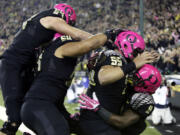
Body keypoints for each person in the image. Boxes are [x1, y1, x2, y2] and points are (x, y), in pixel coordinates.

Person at [0, 3, 92, 135]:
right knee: (14, 121)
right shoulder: (52, 19)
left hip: (24, 68)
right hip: (14, 66)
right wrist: (103, 40)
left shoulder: (40, 27)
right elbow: (77, 34)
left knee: (40, 109)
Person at [20, 29, 123, 135]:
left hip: (49, 105)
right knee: (61, 131)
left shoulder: (52, 58)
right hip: (40, 106)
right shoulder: (60, 48)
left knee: (85, 127)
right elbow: (87, 45)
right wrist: (109, 35)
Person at [76, 30, 160, 135]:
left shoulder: (119, 60)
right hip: (98, 121)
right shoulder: (114, 56)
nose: (138, 56)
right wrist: (134, 64)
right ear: (126, 46)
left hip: (98, 118)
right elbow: (104, 77)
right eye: (136, 52)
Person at [79, 64, 162, 135]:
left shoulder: (144, 100)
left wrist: (98, 108)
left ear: (145, 86)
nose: (132, 77)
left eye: (136, 78)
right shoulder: (131, 87)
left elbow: (122, 122)